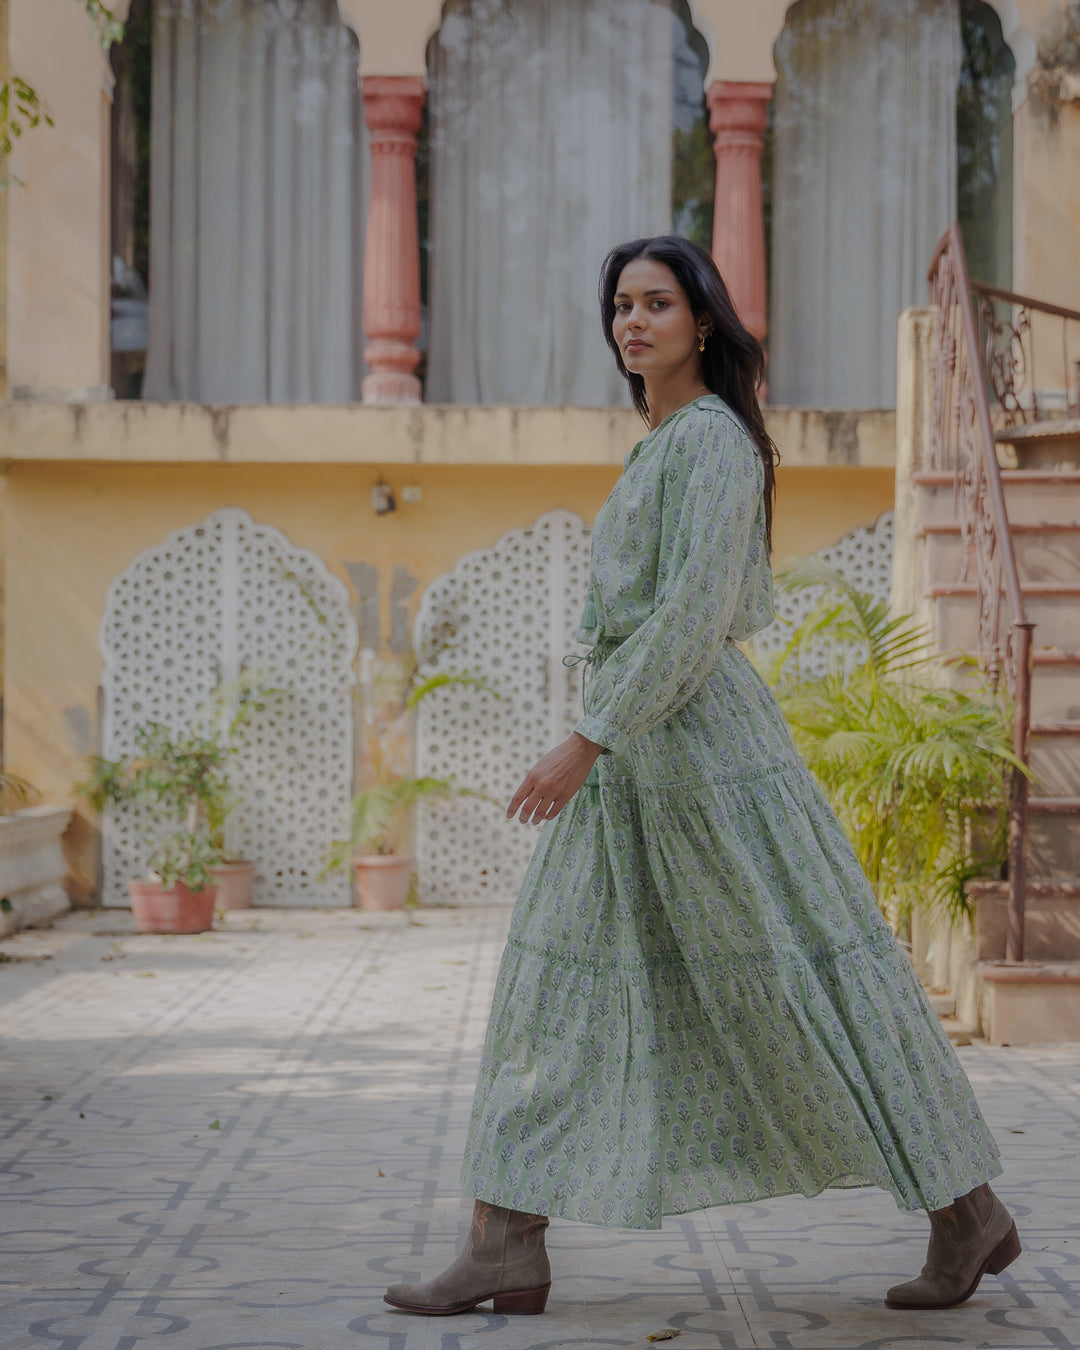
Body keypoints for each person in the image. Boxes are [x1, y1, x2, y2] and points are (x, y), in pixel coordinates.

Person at [384, 235, 1019, 1318]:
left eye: (657, 304)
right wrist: (602, 739)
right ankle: (505, 1239)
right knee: (551, 992)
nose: (633, 323)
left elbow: (690, 618)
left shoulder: (715, 443)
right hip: (636, 762)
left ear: (704, 323)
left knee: (805, 980)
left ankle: (967, 1212)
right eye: (621, 306)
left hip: (703, 759)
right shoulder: (666, 441)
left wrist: (585, 737)